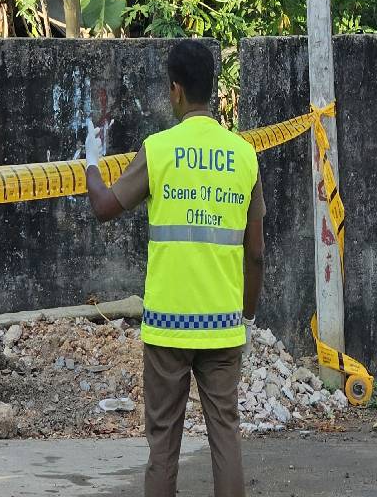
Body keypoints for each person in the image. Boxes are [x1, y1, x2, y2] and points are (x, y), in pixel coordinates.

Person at [84, 39, 265, 497]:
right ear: (213, 89)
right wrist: (245, 314)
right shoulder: (244, 155)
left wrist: (89, 163)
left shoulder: (160, 149)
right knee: (225, 434)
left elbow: (105, 206)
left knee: (163, 442)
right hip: (223, 324)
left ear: (176, 90)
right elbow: (256, 252)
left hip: (167, 326)